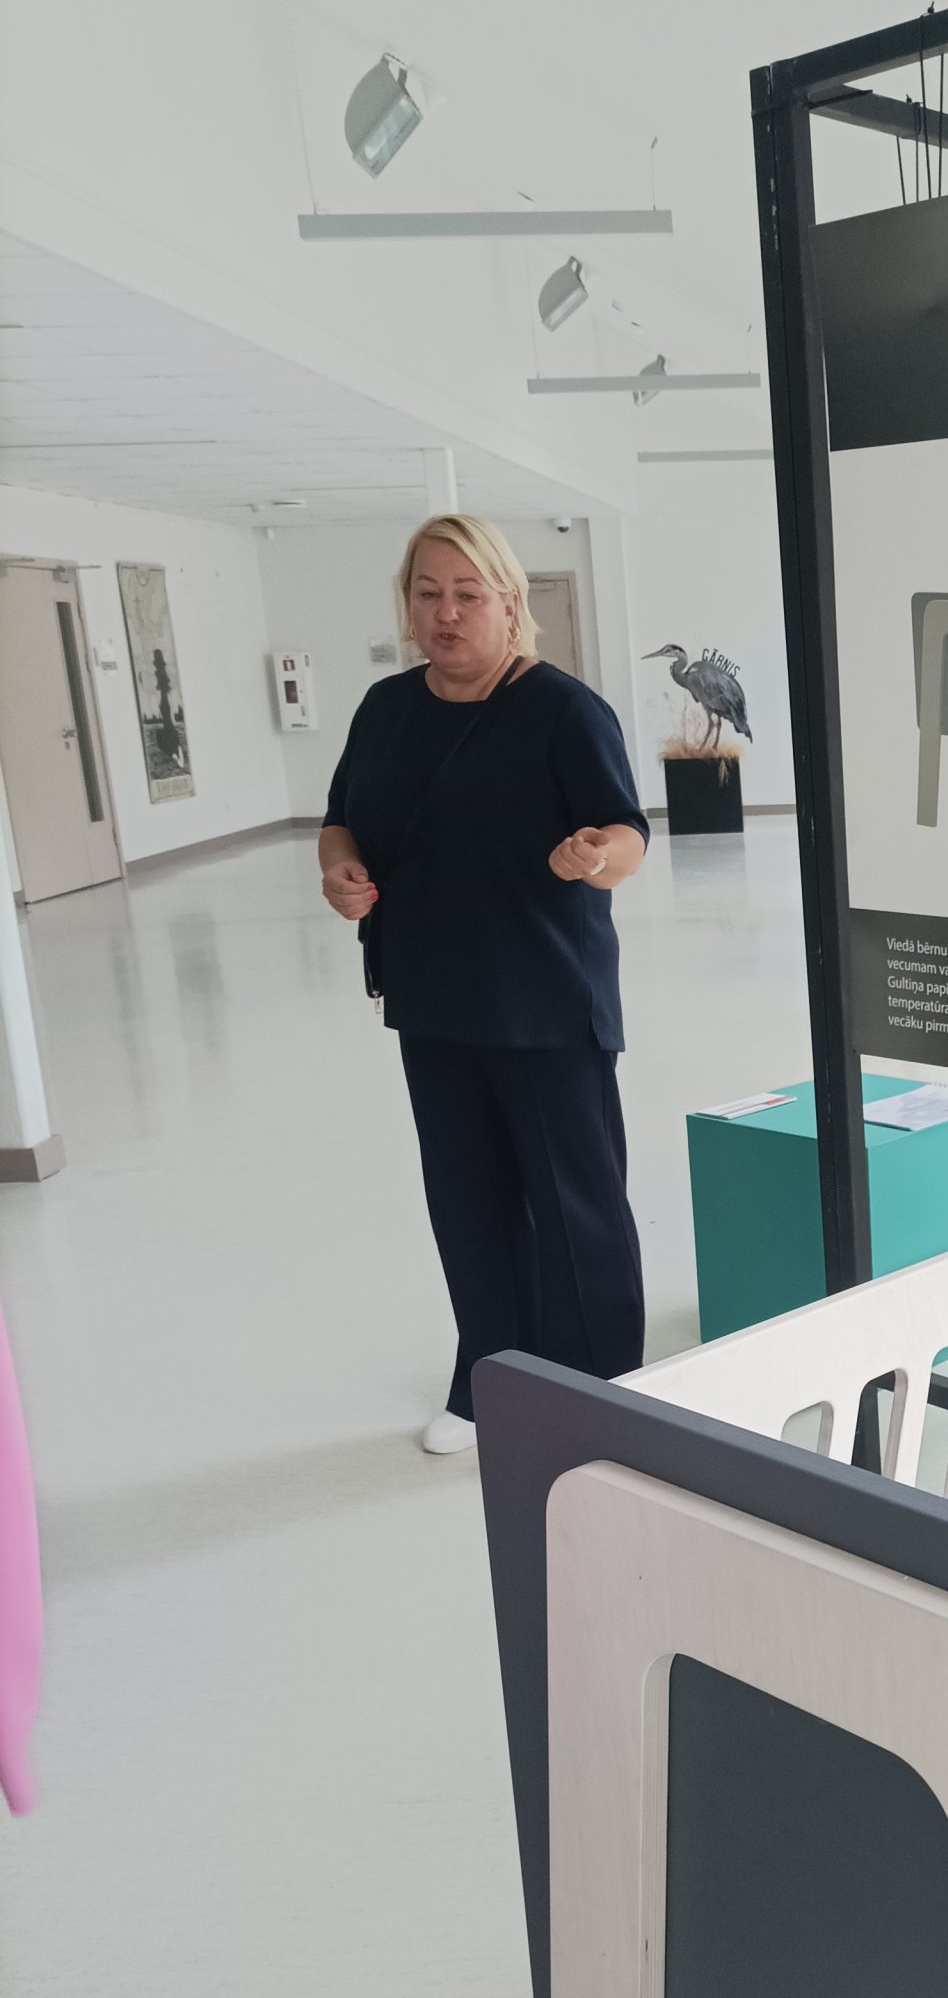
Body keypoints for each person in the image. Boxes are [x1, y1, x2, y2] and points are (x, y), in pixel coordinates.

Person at [319, 514, 650, 1454]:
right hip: (432, 1000)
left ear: (510, 603)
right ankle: (488, 1383)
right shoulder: (385, 709)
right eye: (428, 594)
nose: (447, 613)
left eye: (468, 595)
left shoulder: (563, 710)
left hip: (545, 1003)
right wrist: (338, 872)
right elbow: (341, 820)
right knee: (468, 1209)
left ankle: (602, 1399)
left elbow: (627, 832)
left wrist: (596, 857)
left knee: (575, 1211)